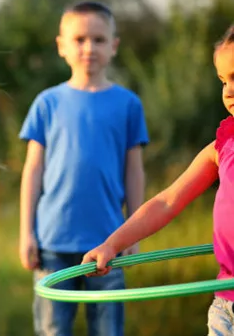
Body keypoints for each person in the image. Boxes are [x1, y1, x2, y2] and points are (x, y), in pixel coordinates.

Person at [82, 25, 234, 335]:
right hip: (226, 306)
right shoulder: (221, 148)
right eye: (223, 80)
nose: (228, 90)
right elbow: (167, 202)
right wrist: (112, 245)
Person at [19, 1, 148, 336]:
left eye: (99, 39)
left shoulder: (128, 105)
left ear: (114, 46)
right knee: (53, 329)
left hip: (109, 240)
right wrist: (26, 232)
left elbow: (134, 172)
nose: (89, 47)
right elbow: (32, 171)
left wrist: (133, 229)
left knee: (107, 329)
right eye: (79, 39)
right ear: (61, 45)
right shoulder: (47, 103)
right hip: (53, 241)